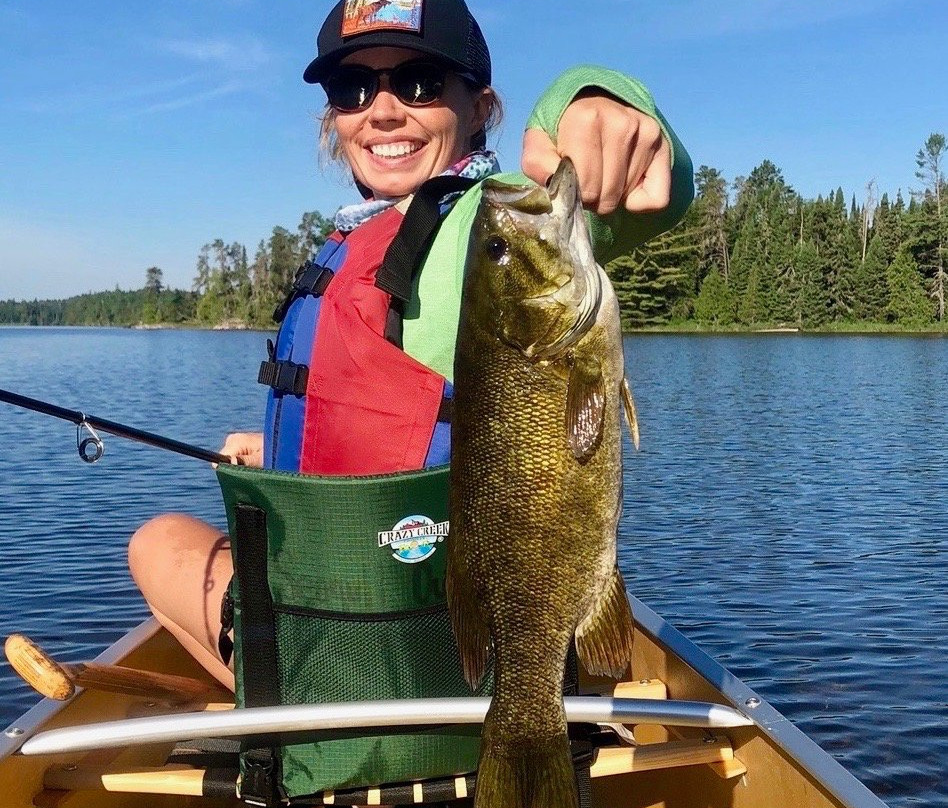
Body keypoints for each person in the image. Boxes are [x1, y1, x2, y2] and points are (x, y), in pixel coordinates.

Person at [128, 0, 693, 691]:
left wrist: (588, 100)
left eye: (420, 83)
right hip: (422, 627)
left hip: (370, 652)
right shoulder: (369, 234)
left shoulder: (492, 225)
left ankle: (277, 692)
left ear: (481, 108)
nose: (384, 111)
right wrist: (277, 448)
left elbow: (651, 193)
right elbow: (403, 420)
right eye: (353, 89)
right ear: (334, 117)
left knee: (156, 543)